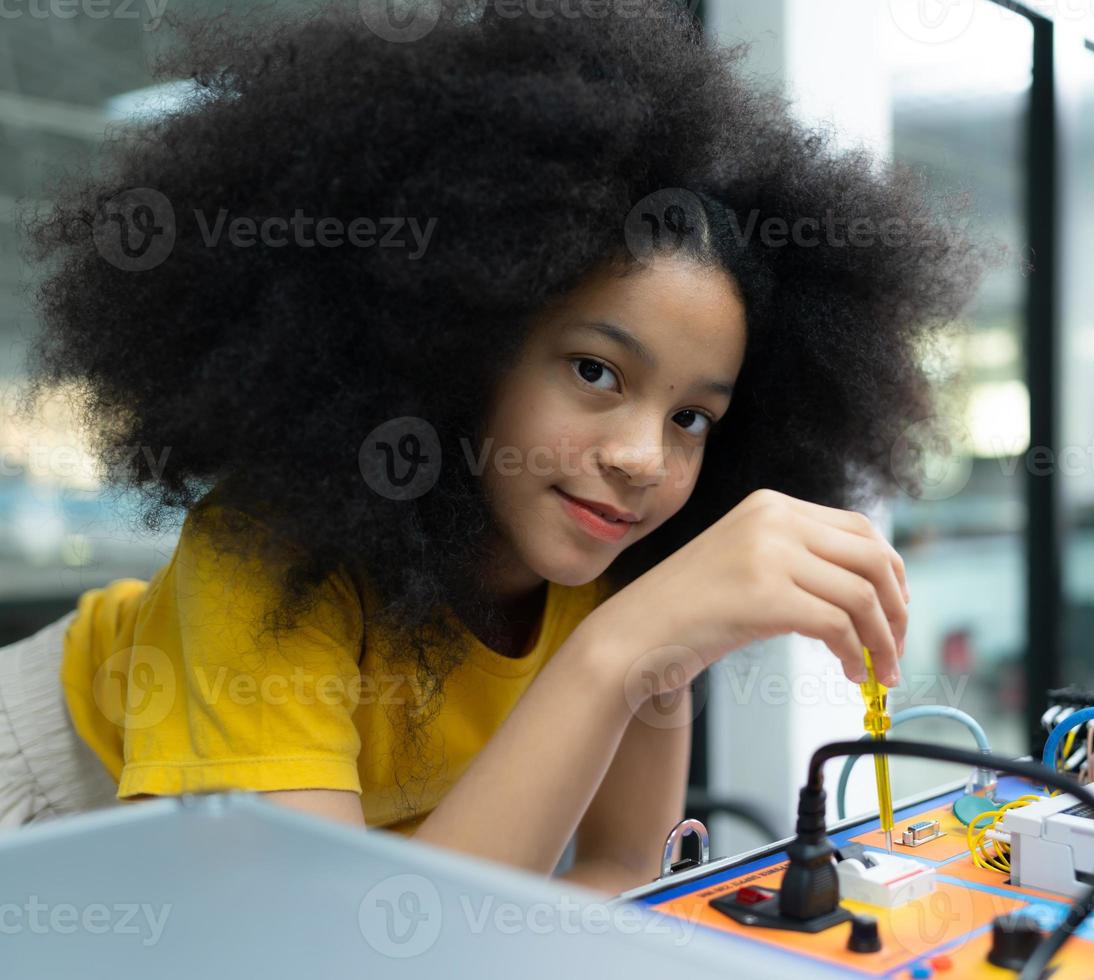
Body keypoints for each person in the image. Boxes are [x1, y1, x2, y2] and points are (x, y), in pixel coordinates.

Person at [2, 0, 984, 895]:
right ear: (457, 347)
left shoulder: (607, 558)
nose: (644, 455)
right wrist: (619, 649)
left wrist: (636, 643)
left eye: (693, 417)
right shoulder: (263, 556)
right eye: (596, 371)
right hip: (43, 803)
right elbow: (325, 955)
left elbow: (614, 872)